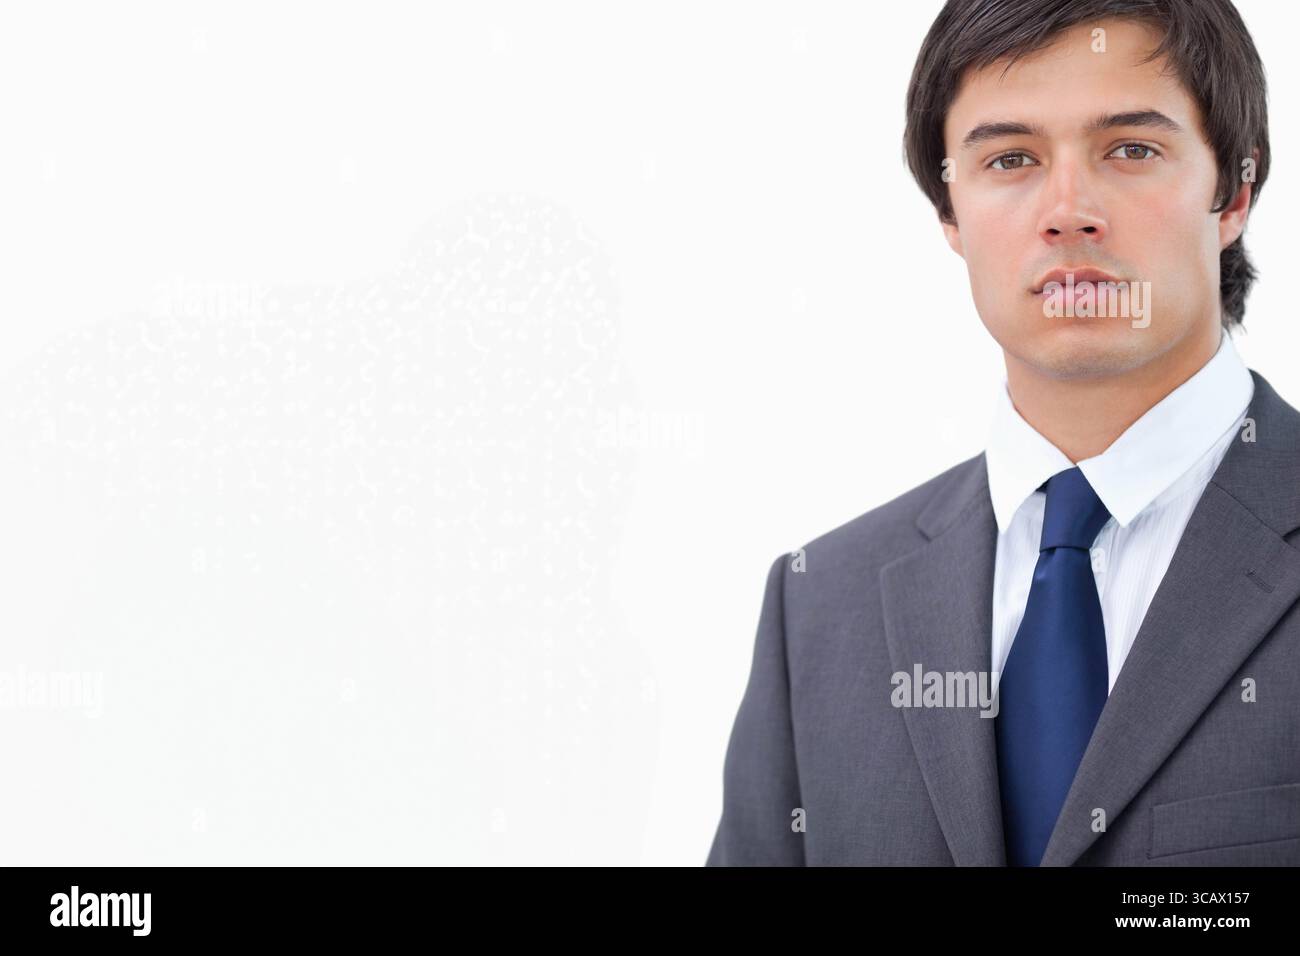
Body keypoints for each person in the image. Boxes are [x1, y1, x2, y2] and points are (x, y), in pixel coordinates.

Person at [706, 0, 1300, 866]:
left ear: (1234, 192)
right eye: (1010, 158)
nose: (1068, 211)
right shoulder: (820, 605)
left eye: (1131, 150)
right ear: (950, 211)